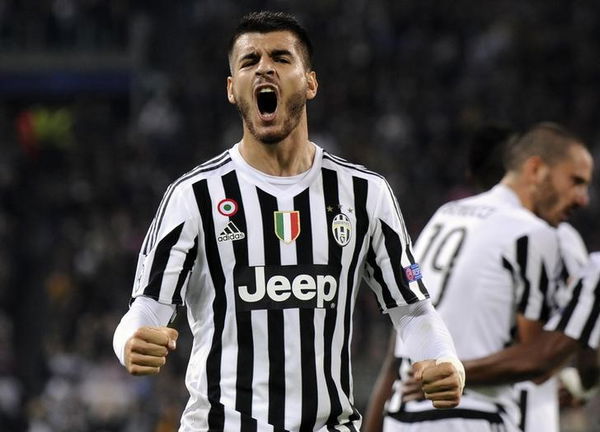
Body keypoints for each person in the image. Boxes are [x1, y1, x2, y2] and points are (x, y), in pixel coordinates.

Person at [112, 11, 464, 431]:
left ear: (310, 82)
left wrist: (443, 357)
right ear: (231, 89)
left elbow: (412, 309)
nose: (264, 66)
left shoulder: (365, 193)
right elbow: (148, 307)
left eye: (280, 57)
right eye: (249, 61)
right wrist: (129, 340)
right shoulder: (193, 196)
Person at [365, 122, 593, 432]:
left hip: (402, 414)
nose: (583, 199)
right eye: (575, 181)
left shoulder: (446, 214)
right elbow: (537, 361)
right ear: (536, 169)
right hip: (469, 415)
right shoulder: (535, 233)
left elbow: (402, 333)